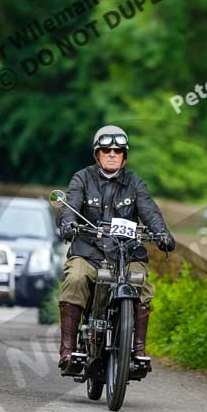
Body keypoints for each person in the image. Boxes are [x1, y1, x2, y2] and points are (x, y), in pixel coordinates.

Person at [57, 125, 175, 369]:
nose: (112, 154)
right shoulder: (82, 178)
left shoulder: (135, 183)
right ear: (97, 154)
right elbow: (70, 207)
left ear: (124, 156)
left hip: (126, 253)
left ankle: (138, 350)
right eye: (106, 149)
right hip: (88, 252)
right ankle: (68, 349)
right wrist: (68, 224)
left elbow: (149, 211)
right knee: (76, 277)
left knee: (140, 279)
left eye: (118, 150)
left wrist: (162, 233)